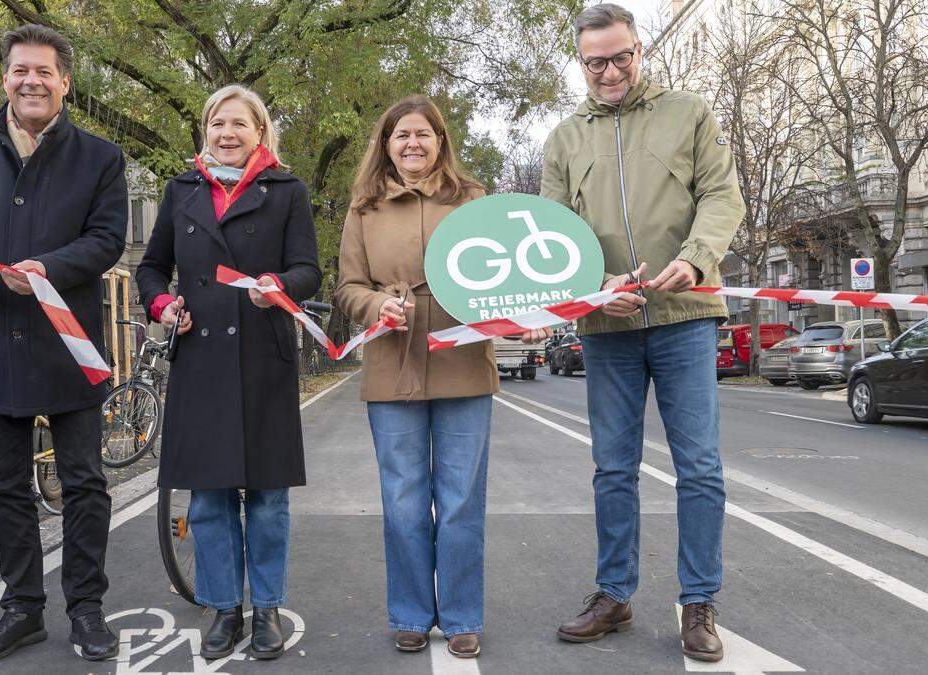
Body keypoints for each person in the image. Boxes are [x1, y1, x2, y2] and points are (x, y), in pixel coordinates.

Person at [540, 3, 744, 663]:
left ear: (639, 49)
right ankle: (614, 594)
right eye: (595, 60)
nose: (609, 70)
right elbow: (549, 241)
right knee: (612, 470)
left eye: (619, 55)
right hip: (608, 325)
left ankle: (699, 603)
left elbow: (722, 194)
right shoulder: (565, 138)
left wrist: (697, 256)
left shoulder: (689, 113)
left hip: (685, 319)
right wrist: (596, 287)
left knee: (700, 468)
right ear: (581, 62)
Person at [0, 24, 127, 663]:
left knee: (84, 483)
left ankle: (86, 608)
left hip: (68, 345)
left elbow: (107, 237)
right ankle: (22, 609)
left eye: (44, 72)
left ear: (65, 81)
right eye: (19, 71)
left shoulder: (99, 157)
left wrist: (48, 269)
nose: (30, 81)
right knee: (4, 488)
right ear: (5, 78)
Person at [334, 95, 549, 660]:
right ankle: (409, 612)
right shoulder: (364, 207)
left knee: (460, 502)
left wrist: (524, 320)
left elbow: (506, 278)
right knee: (403, 501)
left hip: (463, 367)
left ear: (440, 142)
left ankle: (459, 616)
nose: (412, 144)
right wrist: (377, 303)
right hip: (391, 368)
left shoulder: (474, 200)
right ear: (386, 144)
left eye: (423, 134)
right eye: (401, 134)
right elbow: (347, 287)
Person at [135, 84, 320, 661]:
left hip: (264, 356)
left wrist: (283, 288)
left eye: (240, 124)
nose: (227, 133)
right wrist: (162, 306)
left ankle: (266, 609)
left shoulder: (287, 190)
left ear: (259, 132)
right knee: (211, 498)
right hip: (201, 360)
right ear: (206, 131)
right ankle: (223, 608)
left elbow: (308, 269)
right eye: (218, 123)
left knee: (266, 496)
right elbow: (151, 268)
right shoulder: (181, 190)